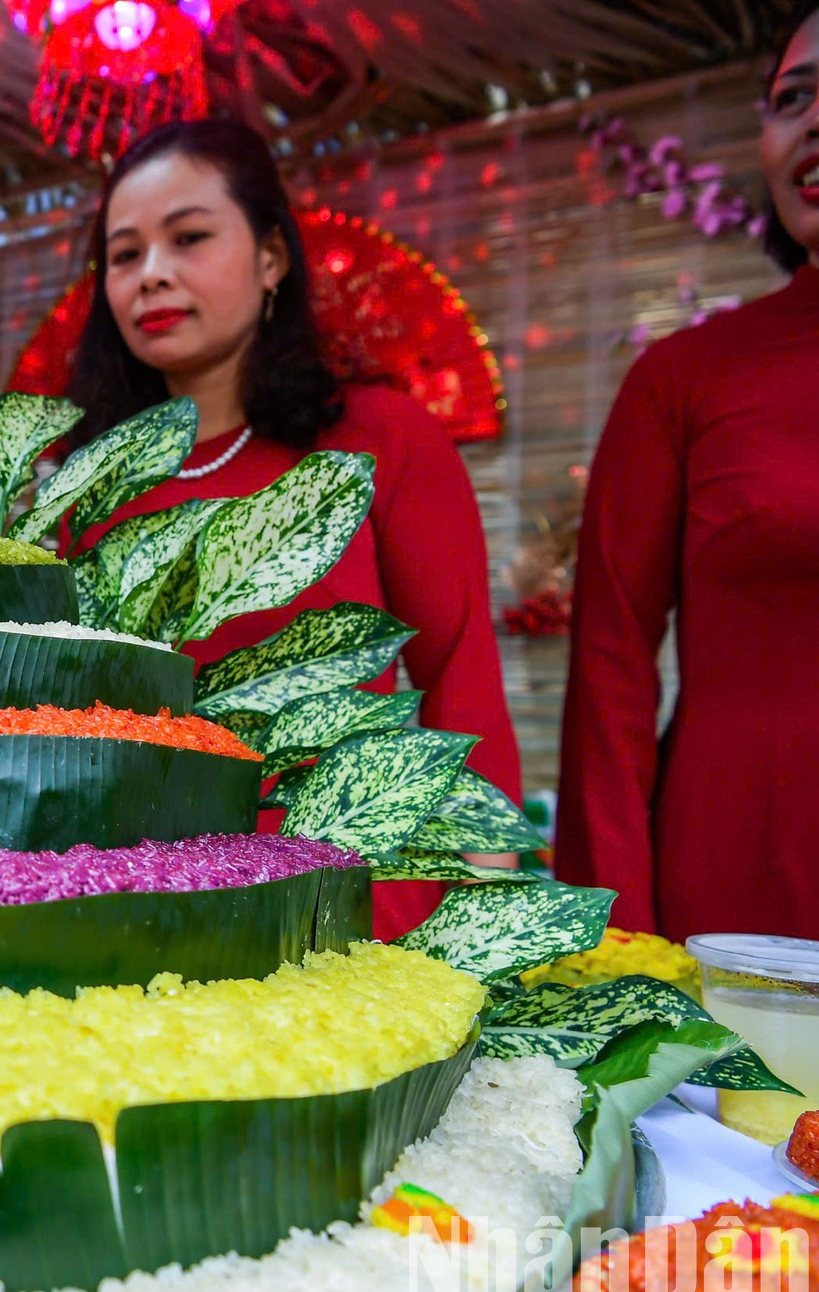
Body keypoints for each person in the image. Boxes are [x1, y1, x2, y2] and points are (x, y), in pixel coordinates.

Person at [62, 119, 521, 939]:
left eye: (189, 238)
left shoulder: (380, 439)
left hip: (348, 913)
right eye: (124, 255)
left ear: (271, 257)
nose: (152, 274)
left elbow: (461, 679)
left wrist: (484, 934)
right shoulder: (87, 484)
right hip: (134, 911)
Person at [555, 2, 819, 943]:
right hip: (738, 908)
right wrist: (615, 949)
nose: (815, 121)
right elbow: (609, 676)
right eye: (794, 98)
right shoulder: (684, 379)